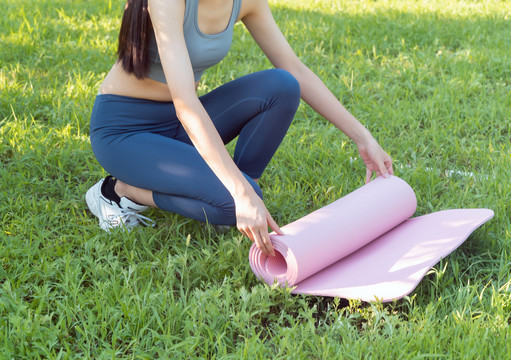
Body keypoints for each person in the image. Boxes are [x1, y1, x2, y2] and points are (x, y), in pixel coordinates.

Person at [86, 0, 394, 257]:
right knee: (237, 199)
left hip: (178, 124)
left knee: (283, 86)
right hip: (126, 131)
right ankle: (119, 190)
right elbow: (185, 102)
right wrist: (240, 192)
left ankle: (240, 195)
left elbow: (295, 70)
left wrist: (362, 136)